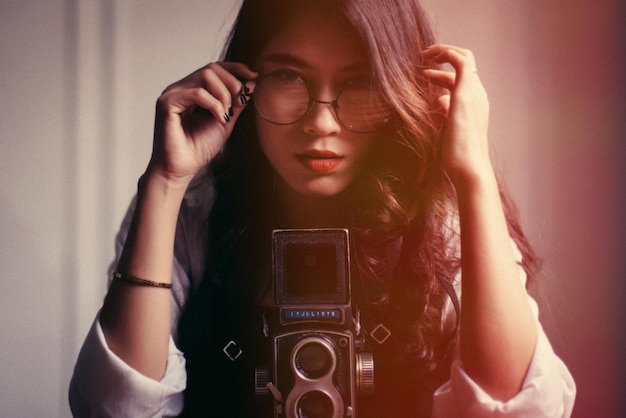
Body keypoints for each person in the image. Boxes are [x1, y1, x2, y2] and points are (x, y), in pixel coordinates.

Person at [69, 0, 576, 416]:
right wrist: (163, 182)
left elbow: (515, 409)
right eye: (290, 78)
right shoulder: (192, 213)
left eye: (359, 84)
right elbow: (116, 410)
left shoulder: (441, 221)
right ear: (242, 82)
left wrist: (473, 173)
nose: (322, 122)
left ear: (399, 90)